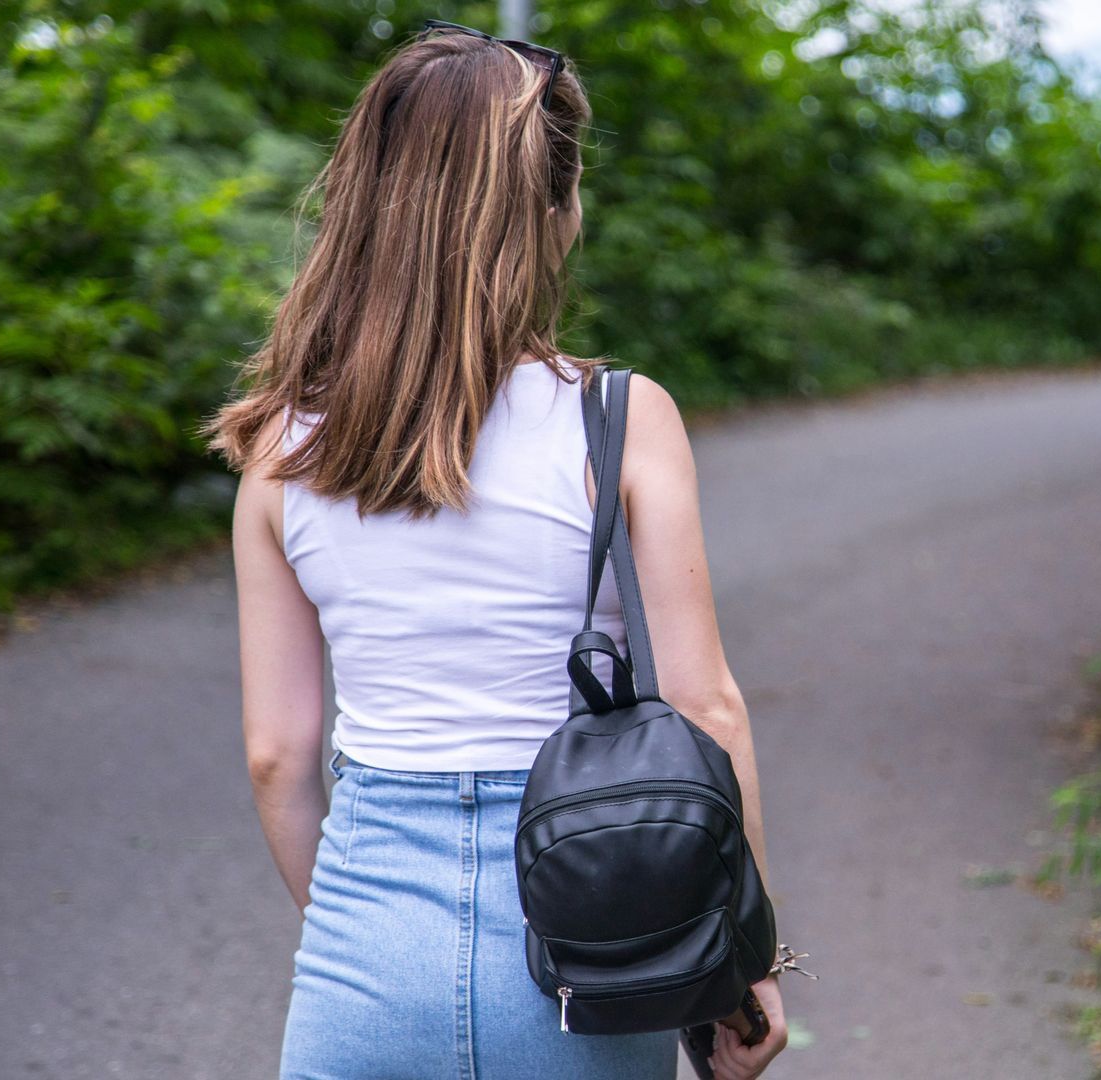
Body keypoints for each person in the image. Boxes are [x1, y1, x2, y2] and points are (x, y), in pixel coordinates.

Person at [203, 22, 787, 1080]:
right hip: (594, 949)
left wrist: (369, 946)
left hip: (361, 967)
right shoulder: (620, 419)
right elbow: (707, 712)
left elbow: (278, 759)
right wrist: (740, 963)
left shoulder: (280, 450)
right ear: (554, 216)